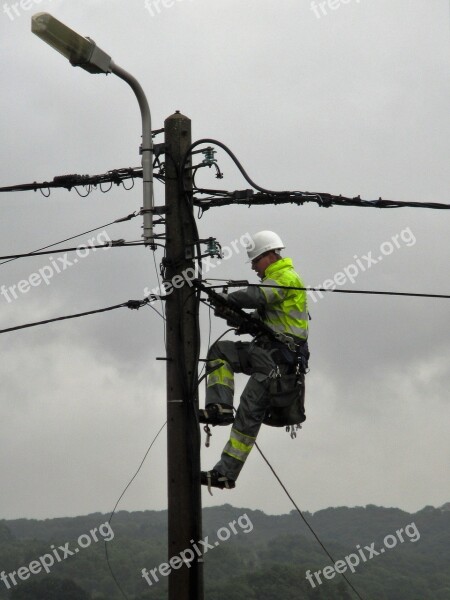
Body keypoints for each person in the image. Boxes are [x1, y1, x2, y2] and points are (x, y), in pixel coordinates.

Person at [200, 230, 309, 491]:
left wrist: (228, 298)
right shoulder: (274, 281)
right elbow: (259, 320)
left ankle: (225, 473)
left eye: (255, 261)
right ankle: (220, 408)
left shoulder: (285, 277)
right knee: (221, 351)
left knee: (249, 414)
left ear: (270, 255)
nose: (253, 267)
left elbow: (258, 296)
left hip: (277, 364)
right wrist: (231, 313)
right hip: (266, 353)